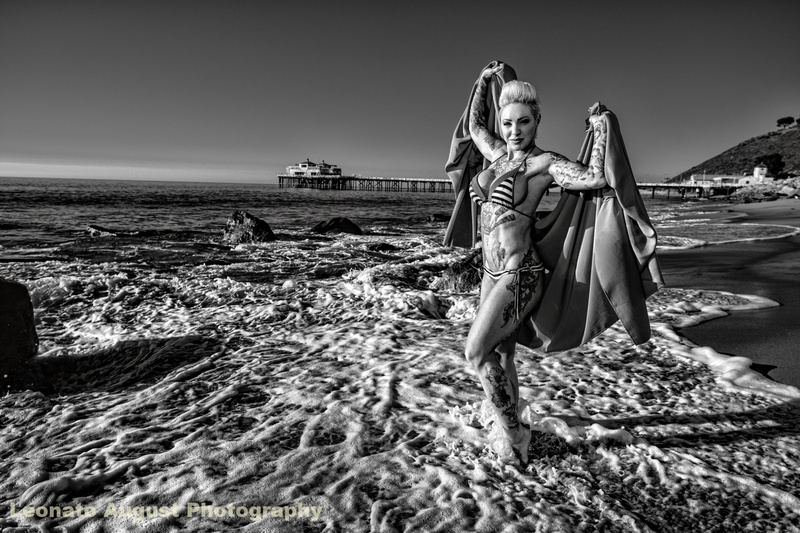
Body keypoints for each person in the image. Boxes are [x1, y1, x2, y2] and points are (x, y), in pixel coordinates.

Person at [463, 62, 611, 464]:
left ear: (536, 121)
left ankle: (513, 437)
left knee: (476, 353)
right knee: (504, 355)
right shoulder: (494, 154)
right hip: (489, 274)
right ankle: (513, 420)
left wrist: (600, 128)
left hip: (519, 273)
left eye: (523, 123)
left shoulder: (543, 164)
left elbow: (593, 178)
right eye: (508, 123)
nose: (514, 131)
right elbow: (476, 127)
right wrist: (481, 82)